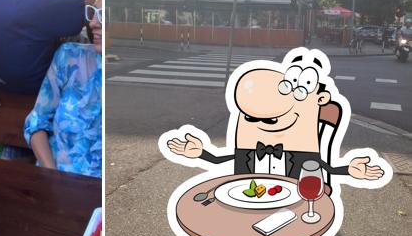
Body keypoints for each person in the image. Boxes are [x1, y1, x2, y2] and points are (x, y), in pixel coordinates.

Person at [164, 48, 386, 181]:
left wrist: (349, 170)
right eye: (250, 118)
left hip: (295, 206)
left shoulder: (302, 143)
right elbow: (228, 158)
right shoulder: (250, 140)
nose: (261, 123)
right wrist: (201, 154)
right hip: (248, 200)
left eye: (271, 119)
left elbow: (322, 168)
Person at [24, 0, 102, 177]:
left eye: (105, 15)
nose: (93, 23)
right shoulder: (70, 57)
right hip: (56, 187)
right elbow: (36, 123)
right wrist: (52, 176)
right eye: (94, 12)